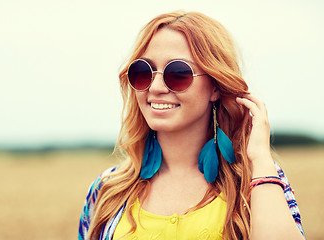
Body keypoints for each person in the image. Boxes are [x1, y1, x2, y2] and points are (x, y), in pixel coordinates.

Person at [78, 11, 305, 240]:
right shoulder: (107, 191)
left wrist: (260, 159)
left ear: (216, 87)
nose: (155, 87)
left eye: (178, 73)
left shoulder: (257, 181)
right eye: (143, 72)